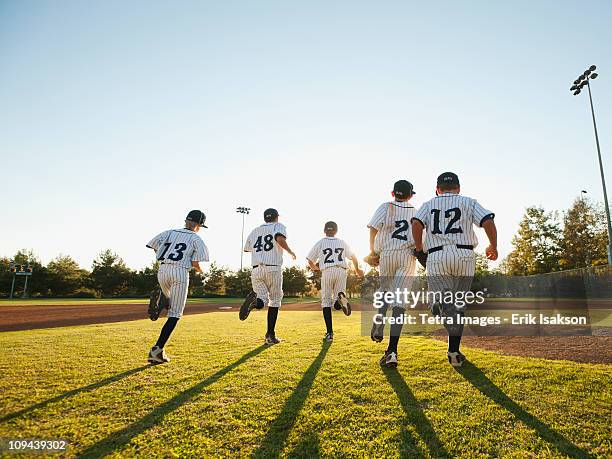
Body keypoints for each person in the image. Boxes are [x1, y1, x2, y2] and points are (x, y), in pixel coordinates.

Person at [411, 172, 498, 367]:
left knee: (444, 303)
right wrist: (493, 245)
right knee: (458, 306)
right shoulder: (469, 201)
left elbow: (416, 223)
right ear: (458, 188)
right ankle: (454, 352)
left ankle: (439, 306)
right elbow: (488, 221)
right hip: (465, 256)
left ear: (437, 189)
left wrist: (418, 249)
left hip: (437, 256)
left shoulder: (429, 204)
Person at [145, 210, 210, 364]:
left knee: (170, 303)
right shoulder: (196, 238)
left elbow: (154, 245)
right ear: (198, 224)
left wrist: (163, 255)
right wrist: (201, 271)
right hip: (180, 272)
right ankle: (157, 350)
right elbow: (195, 263)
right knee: (175, 314)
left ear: (186, 220)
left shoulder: (169, 232)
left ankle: (163, 300)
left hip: (162, 270)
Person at [366, 180, 418, 368]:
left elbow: (373, 227)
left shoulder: (385, 206)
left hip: (387, 254)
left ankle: (379, 320)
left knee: (385, 291)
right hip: (407, 255)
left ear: (392, 193)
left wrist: (372, 251)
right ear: (411, 195)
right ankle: (392, 352)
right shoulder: (415, 211)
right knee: (400, 302)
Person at [239, 208, 296, 345]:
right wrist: (290, 251)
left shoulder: (255, 230)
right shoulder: (278, 226)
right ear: (277, 217)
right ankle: (270, 335)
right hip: (273, 268)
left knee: (262, 300)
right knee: (275, 301)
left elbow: (247, 248)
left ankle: (254, 302)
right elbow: (279, 238)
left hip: (256, 269)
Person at [306, 221, 364, 342]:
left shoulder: (321, 242)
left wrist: (316, 268)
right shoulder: (342, 242)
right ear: (336, 231)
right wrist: (357, 269)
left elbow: (310, 260)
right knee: (336, 304)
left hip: (327, 271)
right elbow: (353, 256)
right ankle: (340, 298)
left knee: (326, 302)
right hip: (342, 270)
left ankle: (329, 333)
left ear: (324, 230)